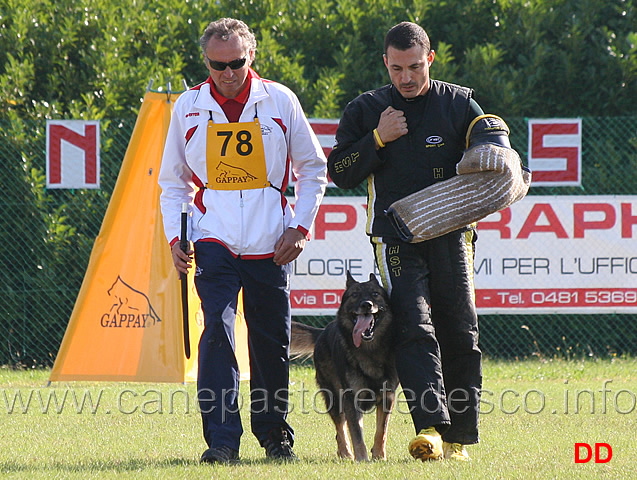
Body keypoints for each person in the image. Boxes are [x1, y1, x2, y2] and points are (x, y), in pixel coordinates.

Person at [158, 17, 327, 464]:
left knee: (271, 338)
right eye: (218, 65)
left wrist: (301, 227)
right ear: (206, 62)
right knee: (217, 329)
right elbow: (173, 183)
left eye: (236, 62)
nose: (228, 73)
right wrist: (177, 235)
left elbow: (313, 168)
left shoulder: (280, 100)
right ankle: (221, 442)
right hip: (213, 238)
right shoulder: (188, 107)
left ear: (250, 56)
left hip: (271, 239)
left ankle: (274, 435)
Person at [327, 21, 488, 462]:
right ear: (386, 63)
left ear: (429, 59)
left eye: (415, 66)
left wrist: (498, 150)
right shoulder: (366, 109)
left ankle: (460, 438)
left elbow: (492, 137)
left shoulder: (458, 103)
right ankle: (431, 431)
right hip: (395, 238)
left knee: (461, 331)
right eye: (397, 68)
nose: (407, 77)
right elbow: (339, 171)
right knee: (414, 329)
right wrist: (377, 138)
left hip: (453, 233)